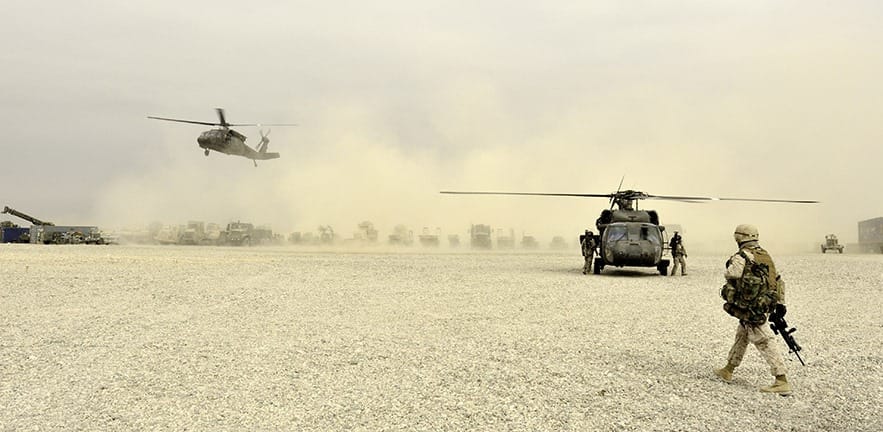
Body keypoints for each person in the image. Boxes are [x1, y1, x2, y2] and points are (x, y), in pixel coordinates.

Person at [714, 224, 792, 395]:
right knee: (742, 336)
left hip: (750, 306)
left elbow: (732, 274)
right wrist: (781, 303)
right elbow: (778, 280)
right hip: (764, 303)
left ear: (739, 237)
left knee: (764, 340)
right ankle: (728, 369)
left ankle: (781, 379)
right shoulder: (764, 255)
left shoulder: (742, 256)